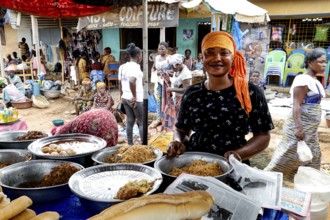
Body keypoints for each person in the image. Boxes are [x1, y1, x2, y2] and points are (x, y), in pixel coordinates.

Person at [166, 31, 274, 163]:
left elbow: (263, 135)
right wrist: (177, 141)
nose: (217, 58)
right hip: (194, 162)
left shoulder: (249, 92)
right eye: (209, 52)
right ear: (202, 58)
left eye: (224, 53)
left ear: (233, 57)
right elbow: (181, 129)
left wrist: (238, 154)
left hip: (233, 165)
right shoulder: (192, 93)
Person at [265, 49, 326, 181]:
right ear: (310, 63)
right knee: (288, 154)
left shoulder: (313, 80)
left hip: (310, 128)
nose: (324, 65)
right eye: (320, 62)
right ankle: (269, 178)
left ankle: (309, 180)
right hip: (300, 127)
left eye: (325, 62)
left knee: (312, 154)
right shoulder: (302, 79)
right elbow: (296, 104)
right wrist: (299, 128)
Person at [119, 43, 143, 145]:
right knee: (141, 123)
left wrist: (121, 95)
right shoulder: (135, 67)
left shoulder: (122, 67)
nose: (141, 57)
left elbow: (120, 82)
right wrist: (134, 96)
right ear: (138, 56)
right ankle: (144, 145)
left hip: (125, 97)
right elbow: (132, 81)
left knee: (130, 121)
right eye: (141, 55)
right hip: (135, 99)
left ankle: (130, 144)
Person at [51, 109, 118, 147]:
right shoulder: (75, 123)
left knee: (99, 144)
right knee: (107, 140)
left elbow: (56, 138)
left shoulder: (65, 129)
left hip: (98, 121)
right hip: (107, 115)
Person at [163, 54, 192, 131]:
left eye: (173, 67)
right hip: (177, 98)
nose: (172, 68)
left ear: (179, 64)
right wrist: (169, 74)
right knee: (177, 119)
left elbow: (186, 89)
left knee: (182, 121)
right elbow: (177, 78)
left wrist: (171, 89)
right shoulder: (178, 70)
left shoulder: (186, 73)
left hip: (183, 100)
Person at [149, 41, 173, 129]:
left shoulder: (170, 58)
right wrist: (154, 72)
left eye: (163, 49)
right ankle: (159, 118)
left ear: (166, 49)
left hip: (167, 83)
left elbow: (173, 70)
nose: (161, 51)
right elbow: (154, 68)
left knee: (167, 100)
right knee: (159, 99)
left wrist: (165, 73)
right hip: (159, 83)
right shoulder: (157, 58)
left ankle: (167, 118)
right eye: (159, 49)